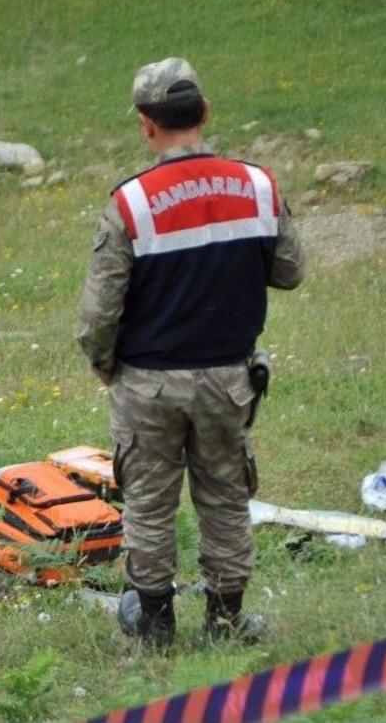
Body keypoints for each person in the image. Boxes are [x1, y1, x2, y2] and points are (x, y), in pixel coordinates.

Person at [76, 57, 305, 646]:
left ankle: (154, 624)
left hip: (148, 382)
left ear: (145, 125)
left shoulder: (131, 203)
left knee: (149, 506)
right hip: (231, 378)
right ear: (205, 113)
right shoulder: (258, 185)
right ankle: (226, 622)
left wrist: (106, 367)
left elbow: (100, 311)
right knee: (226, 499)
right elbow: (290, 271)